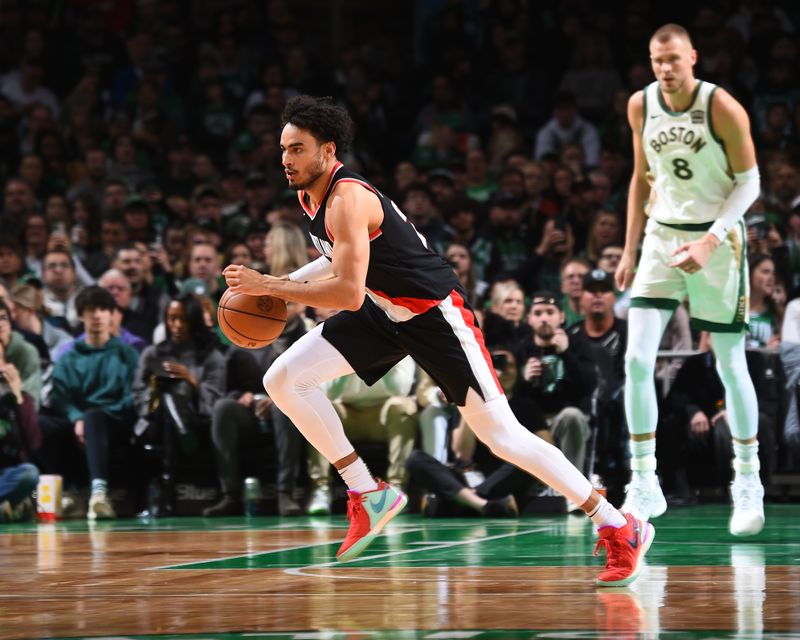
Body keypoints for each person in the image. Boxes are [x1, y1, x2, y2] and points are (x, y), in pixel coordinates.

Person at [222, 95, 653, 585]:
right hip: (383, 309)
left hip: (435, 316)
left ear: (328, 150)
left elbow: (342, 290)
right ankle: (367, 491)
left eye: (297, 149)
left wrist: (273, 287)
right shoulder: (310, 196)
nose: (285, 159)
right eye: (282, 149)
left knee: (503, 436)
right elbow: (340, 261)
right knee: (284, 378)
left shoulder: (347, 198)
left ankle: (619, 524)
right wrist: (277, 288)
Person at [615, 24, 764, 536]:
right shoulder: (641, 105)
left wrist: (710, 240)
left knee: (729, 360)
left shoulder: (720, 105)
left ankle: (748, 480)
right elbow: (640, 177)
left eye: (674, 59)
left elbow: (750, 182)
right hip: (662, 236)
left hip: (717, 240)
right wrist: (630, 248)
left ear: (693, 57)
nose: (666, 69)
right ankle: (644, 479)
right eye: (658, 61)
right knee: (635, 359)